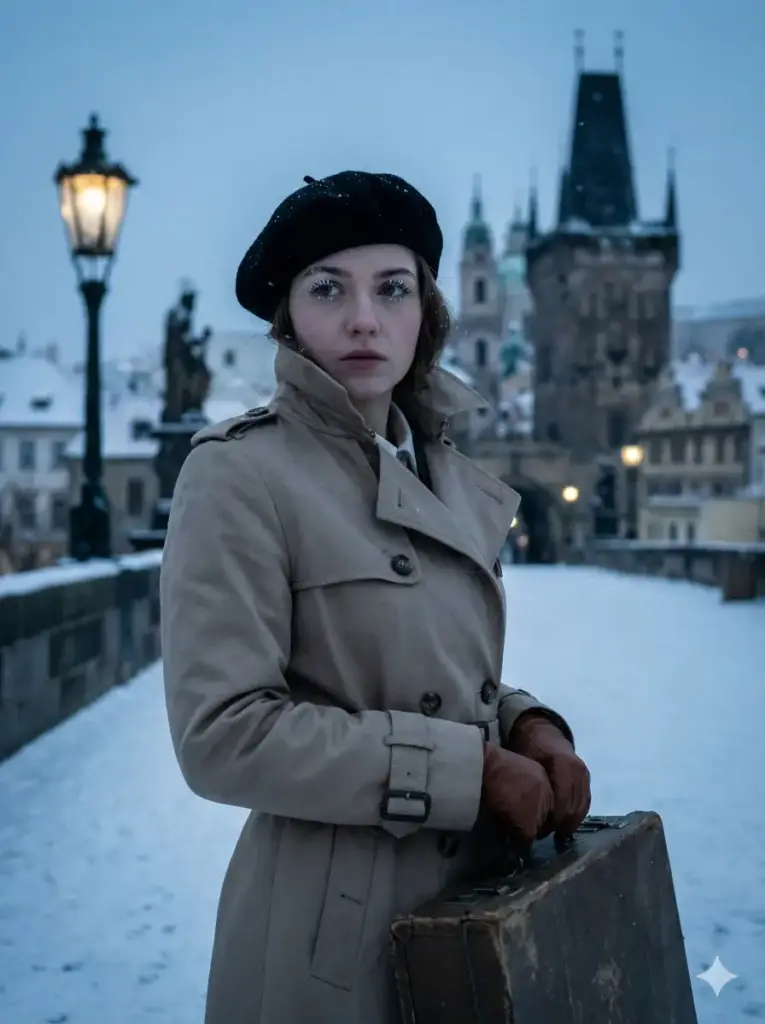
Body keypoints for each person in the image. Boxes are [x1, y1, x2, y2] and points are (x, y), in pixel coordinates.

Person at [160, 171, 592, 1024]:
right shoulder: (239, 473)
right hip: (328, 938)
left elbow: (419, 670)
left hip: (475, 903)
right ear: (288, 317)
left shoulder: (440, 466)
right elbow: (222, 736)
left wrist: (521, 723)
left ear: (425, 310)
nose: (363, 318)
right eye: (329, 289)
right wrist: (465, 770)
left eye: (391, 289)